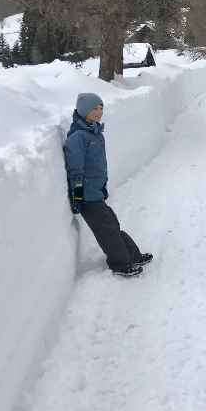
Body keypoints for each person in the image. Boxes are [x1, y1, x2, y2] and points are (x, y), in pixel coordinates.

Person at [64, 92, 152, 277]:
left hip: (95, 191)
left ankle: (133, 255)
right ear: (83, 110)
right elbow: (76, 170)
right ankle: (120, 264)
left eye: (101, 108)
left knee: (112, 224)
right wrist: (78, 197)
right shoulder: (78, 137)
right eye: (94, 108)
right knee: (107, 230)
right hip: (86, 195)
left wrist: (102, 187)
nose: (98, 112)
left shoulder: (95, 133)